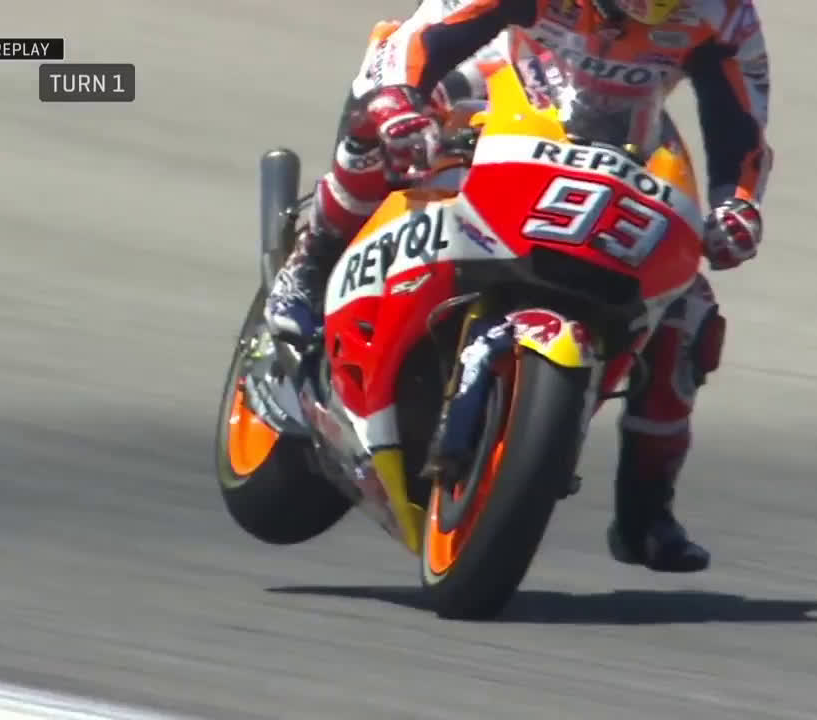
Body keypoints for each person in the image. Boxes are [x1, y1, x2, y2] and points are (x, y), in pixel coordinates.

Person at [265, 0, 772, 573]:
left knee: (689, 314)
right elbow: (428, 35)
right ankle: (310, 265)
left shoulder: (725, 14)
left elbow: (743, 126)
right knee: (391, 131)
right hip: (490, 80)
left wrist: (738, 205)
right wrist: (398, 98)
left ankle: (644, 513)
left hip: (619, 136)